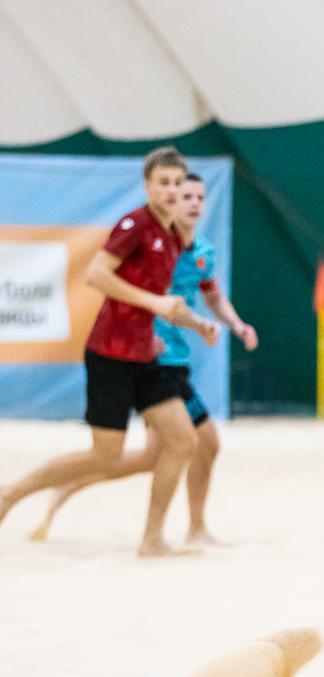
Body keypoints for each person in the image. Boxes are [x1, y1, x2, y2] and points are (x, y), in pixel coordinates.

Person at [0, 147, 218, 556]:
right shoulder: (135, 224)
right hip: (111, 353)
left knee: (183, 441)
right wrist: (154, 305)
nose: (172, 191)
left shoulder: (174, 237)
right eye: (164, 183)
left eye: (178, 183)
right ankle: (11, 493)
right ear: (148, 186)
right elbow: (97, 274)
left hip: (146, 355)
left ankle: (152, 539)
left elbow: (163, 300)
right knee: (105, 456)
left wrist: (197, 323)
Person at [28, 172, 258, 545]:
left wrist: (235, 324)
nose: (192, 203)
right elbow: (125, 290)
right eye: (184, 195)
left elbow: (211, 296)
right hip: (152, 360)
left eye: (199, 197)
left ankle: (70, 487)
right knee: (201, 442)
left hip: (174, 359)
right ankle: (187, 530)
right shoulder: (153, 242)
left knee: (152, 457)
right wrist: (148, 334)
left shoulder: (201, 252)